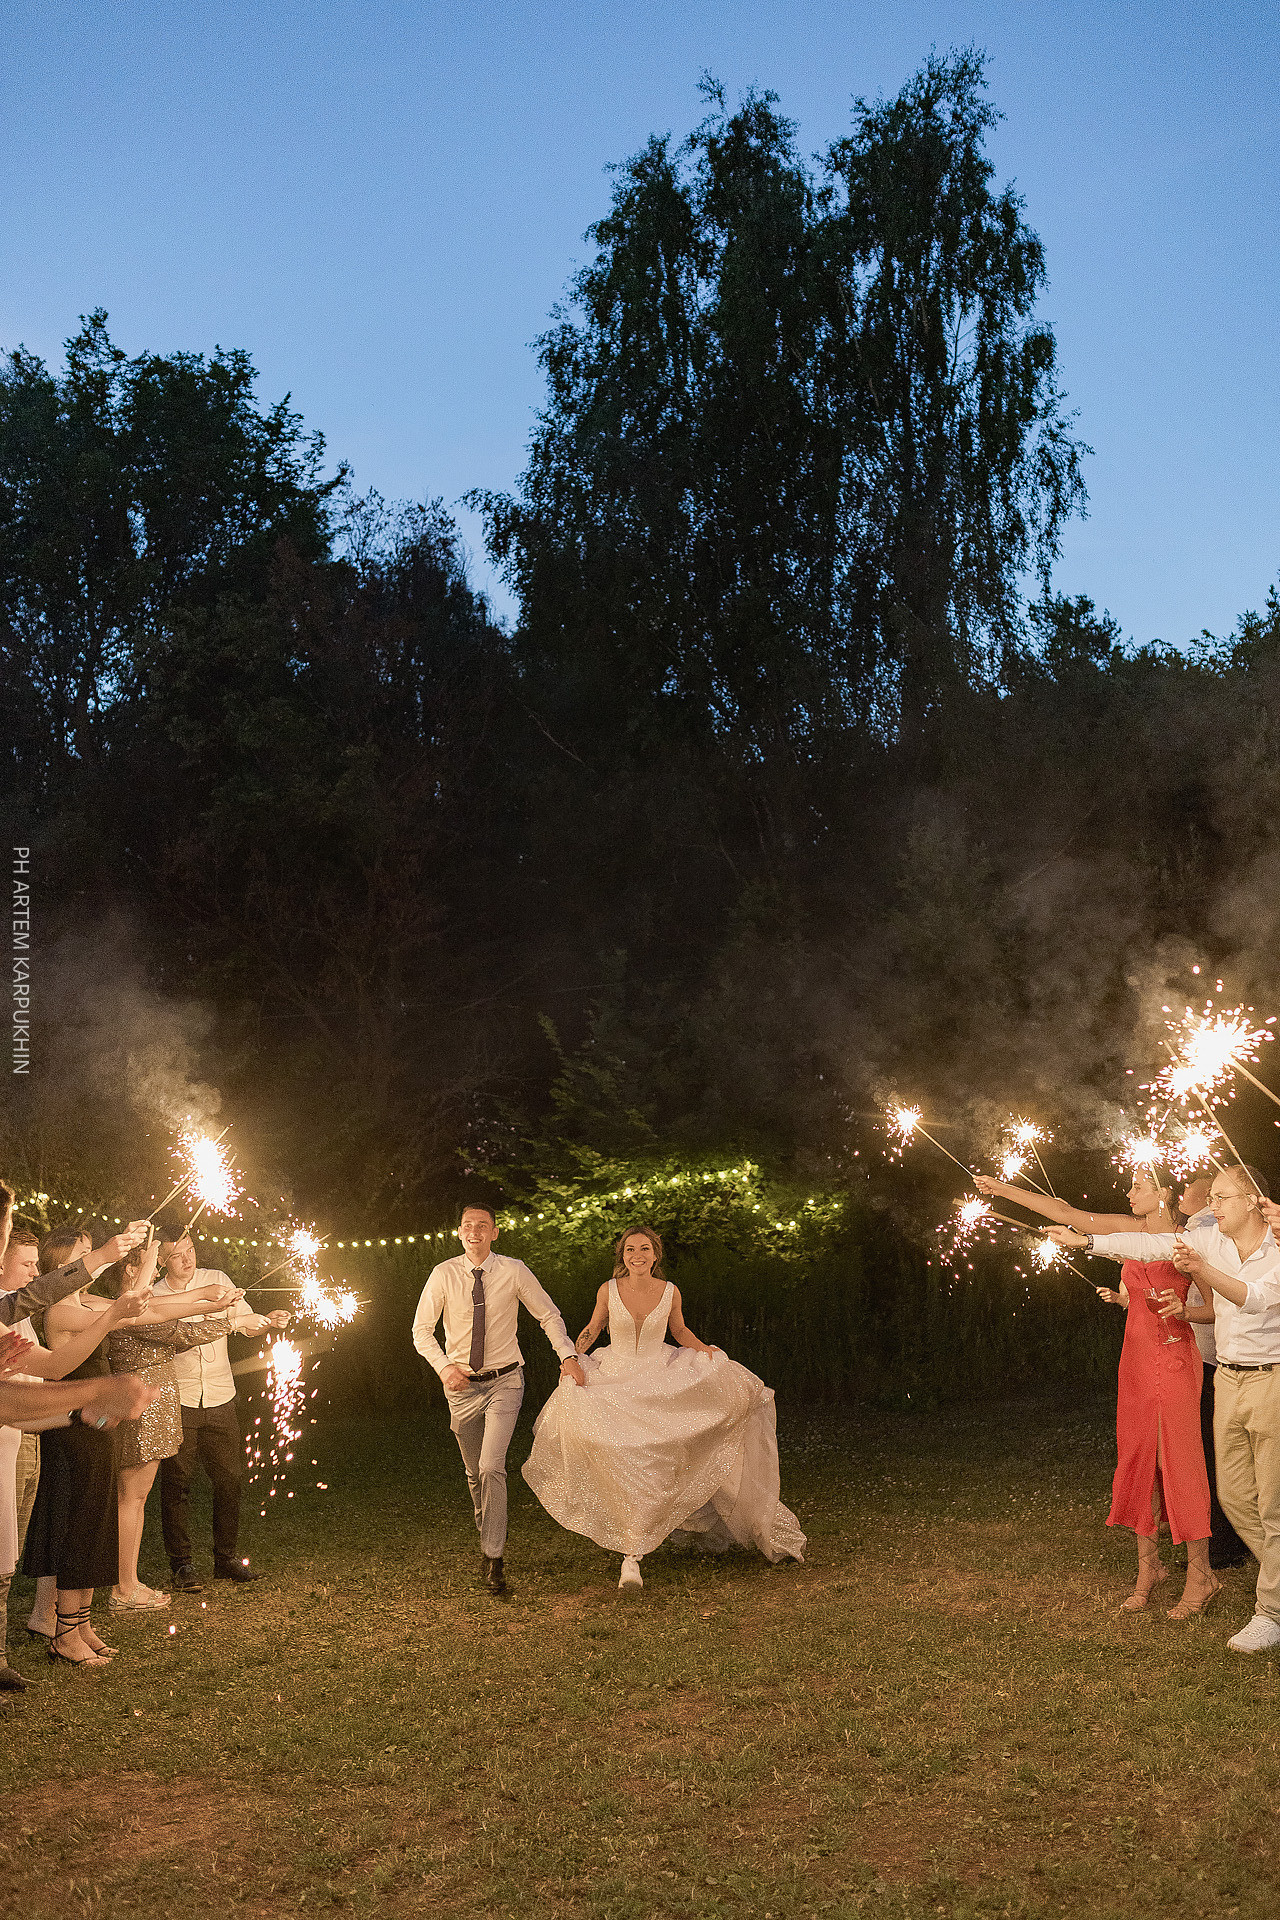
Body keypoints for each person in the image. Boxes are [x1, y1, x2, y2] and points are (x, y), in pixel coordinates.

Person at [1055, 1164, 1280, 1653]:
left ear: (1251, 1201)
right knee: (1234, 1498)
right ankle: (1163, 1568)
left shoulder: (1268, 1249)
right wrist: (1086, 1243)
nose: (1210, 1206)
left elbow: (1253, 1298)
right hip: (1217, 1375)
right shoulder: (1211, 1241)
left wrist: (1197, 1280)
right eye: (1211, 1196)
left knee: (1262, 1500)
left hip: (1257, 1376)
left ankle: (1256, 1602)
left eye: (1221, 1197)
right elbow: (1150, 1246)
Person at [976, 1166, 1214, 1617]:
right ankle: (1149, 1570)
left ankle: (1201, 1574)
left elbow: (1215, 1308)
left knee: (1180, 1461)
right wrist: (1001, 1189)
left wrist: (1184, 1311)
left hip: (1177, 1358)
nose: (1129, 1193)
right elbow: (1068, 1213)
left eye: (1139, 1186)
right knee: (1139, 1457)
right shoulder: (1130, 1229)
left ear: (1163, 1193)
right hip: (1136, 1360)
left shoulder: (1192, 1241)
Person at [522, 1224, 806, 1591]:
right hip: (616, 1373)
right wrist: (573, 1357)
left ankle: (643, 1543)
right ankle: (632, 1544)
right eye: (629, 1250)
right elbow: (593, 1328)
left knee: (666, 1450)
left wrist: (708, 1351)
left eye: (643, 1249)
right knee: (618, 1449)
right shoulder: (608, 1290)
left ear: (655, 1256)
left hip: (661, 1372)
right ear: (622, 1256)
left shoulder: (670, 1292)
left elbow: (680, 1332)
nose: (636, 1255)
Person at [23, 1240, 237, 1665]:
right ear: (58, 1271)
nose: (88, 1267)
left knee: (96, 1525)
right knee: (82, 1529)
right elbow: (127, 1318)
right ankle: (65, 1632)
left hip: (100, 1424)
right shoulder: (62, 1311)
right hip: (75, 1428)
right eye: (76, 1261)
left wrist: (203, 1300)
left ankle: (80, 1624)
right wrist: (164, 1296)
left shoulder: (86, 1301)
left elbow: (146, 1310)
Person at [412, 1202, 585, 1595]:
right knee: (475, 1474)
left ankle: (494, 1557)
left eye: (483, 1225)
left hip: (506, 1381)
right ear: (459, 1232)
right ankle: (488, 1533)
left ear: (494, 1232)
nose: (475, 1231)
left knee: (492, 1467)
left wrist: (568, 1355)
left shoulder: (513, 1271)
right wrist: (444, 1368)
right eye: (468, 1225)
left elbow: (548, 1315)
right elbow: (421, 1331)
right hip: (460, 1387)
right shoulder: (444, 1274)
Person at [101, 1237, 239, 1611]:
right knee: (132, 1496)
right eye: (154, 1264)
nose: (160, 1270)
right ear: (132, 1270)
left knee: (137, 1497)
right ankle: (122, 1586)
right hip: (140, 1411)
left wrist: (212, 1297)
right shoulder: (123, 1310)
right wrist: (224, 1314)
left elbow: (166, 1309)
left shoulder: (129, 1306)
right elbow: (180, 1332)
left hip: (154, 1408)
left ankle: (127, 1582)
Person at [153, 1229, 290, 1590]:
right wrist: (227, 1321)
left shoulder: (217, 1280)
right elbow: (175, 1342)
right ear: (162, 1260)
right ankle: (181, 1564)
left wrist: (264, 1321)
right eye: (178, 1254)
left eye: (191, 1250)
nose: (188, 1258)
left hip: (220, 1396)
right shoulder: (155, 1296)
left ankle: (225, 1558)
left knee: (229, 1481)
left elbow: (244, 1323)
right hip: (179, 1398)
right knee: (177, 1484)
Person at [1175, 1177, 1250, 1571]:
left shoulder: (1206, 1228)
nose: (1208, 1200)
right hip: (1211, 1360)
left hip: (1221, 1361)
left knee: (1221, 1456)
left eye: (1217, 1195)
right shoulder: (1189, 1229)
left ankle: (1227, 1543)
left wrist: (1185, 1312)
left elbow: (1220, 1301)